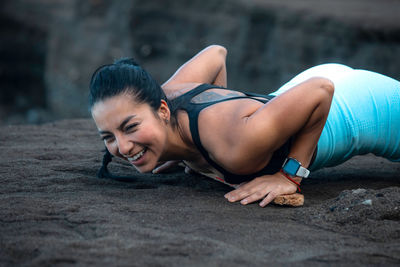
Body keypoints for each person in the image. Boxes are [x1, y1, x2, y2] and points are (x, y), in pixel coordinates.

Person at [89, 45, 400, 207]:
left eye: (130, 127)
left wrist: (289, 176)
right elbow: (215, 54)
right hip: (299, 92)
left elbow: (321, 90)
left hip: (367, 109)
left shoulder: (235, 147)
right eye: (109, 136)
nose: (123, 147)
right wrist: (187, 151)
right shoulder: (165, 95)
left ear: (161, 111)